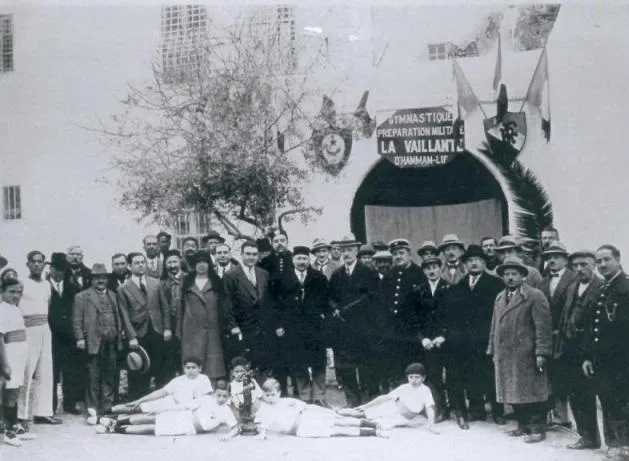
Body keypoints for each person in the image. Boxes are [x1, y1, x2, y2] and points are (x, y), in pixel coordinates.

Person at [488, 256, 552, 444]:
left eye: (514, 274)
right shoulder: (500, 297)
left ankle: (537, 429)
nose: (510, 277)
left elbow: (543, 327)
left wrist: (541, 352)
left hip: (526, 353)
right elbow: (494, 325)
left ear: (523, 276)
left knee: (532, 391)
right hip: (505, 353)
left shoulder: (535, 296)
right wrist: (492, 349)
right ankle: (522, 425)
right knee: (513, 391)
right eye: (506, 274)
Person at [442, 245, 504, 429]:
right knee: (472, 374)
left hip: (488, 337)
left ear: (484, 263)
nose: (474, 263)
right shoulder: (459, 286)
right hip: (467, 340)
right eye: (470, 260)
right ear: (465, 264)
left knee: (490, 375)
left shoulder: (496, 284)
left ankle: (498, 412)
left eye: (478, 260)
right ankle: (477, 409)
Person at [328, 234, 388, 407]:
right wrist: (335, 308)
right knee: (346, 368)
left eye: (349, 249)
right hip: (344, 330)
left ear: (356, 251)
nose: (346, 253)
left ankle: (369, 403)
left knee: (367, 368)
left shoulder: (368, 272)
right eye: (343, 250)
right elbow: (330, 296)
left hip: (365, 329)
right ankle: (352, 402)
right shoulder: (337, 274)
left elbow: (372, 298)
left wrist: (347, 310)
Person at [74, 263, 138, 422]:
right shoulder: (82, 297)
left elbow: (120, 316)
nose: (100, 281)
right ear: (91, 280)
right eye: (97, 278)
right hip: (93, 341)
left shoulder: (114, 295)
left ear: (107, 279)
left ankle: (107, 407)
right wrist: (80, 338)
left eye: (103, 277)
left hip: (112, 340)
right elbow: (76, 321)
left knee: (110, 374)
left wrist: (121, 333)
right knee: (93, 375)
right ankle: (93, 408)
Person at [582, 245, 629, 460]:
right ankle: (614, 444)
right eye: (598, 261)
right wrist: (588, 356)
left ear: (618, 260)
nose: (602, 264)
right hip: (602, 358)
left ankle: (625, 445)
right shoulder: (603, 288)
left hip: (622, 358)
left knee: (622, 401)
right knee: (607, 399)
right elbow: (595, 326)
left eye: (607, 259)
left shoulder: (625, 287)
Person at [270, 246, 329, 406]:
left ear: (309, 260)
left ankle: (319, 397)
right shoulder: (281, 278)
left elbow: (325, 303)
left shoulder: (319, 278)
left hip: (315, 328)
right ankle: (304, 397)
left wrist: (325, 322)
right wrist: (278, 325)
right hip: (292, 328)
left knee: (318, 363)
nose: (302, 262)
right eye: (299, 259)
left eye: (305, 259)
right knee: (298, 363)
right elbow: (274, 304)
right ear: (293, 260)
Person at [556, 250, 603, 450]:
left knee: (599, 396)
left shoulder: (602, 287)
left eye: (584, 264)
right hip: (570, 350)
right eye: (575, 265)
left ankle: (616, 441)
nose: (579, 269)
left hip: (592, 351)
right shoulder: (572, 287)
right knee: (576, 394)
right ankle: (587, 436)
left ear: (593, 265)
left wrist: (590, 353)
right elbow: (564, 317)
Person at [180, 251, 241, 381]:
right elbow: (181, 307)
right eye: (198, 262)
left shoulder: (217, 282)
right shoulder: (187, 283)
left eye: (204, 262)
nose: (201, 265)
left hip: (213, 330)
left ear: (209, 264)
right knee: (193, 367)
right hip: (191, 332)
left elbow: (225, 307)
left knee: (212, 367)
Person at [254, 378, 383, 439]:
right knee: (337, 431)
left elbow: (307, 407)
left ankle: (373, 425)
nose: (270, 398)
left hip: (307, 418)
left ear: (279, 393)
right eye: (267, 395)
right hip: (302, 430)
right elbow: (263, 426)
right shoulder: (266, 410)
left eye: (273, 395)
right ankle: (373, 433)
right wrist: (262, 434)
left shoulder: (287, 401)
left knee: (339, 421)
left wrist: (326, 412)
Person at [18, 250, 62, 428]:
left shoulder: (46, 284)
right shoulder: (22, 283)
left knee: (46, 370)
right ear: (28, 264)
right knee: (27, 371)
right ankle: (21, 414)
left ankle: (42, 412)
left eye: (40, 261)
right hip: (27, 329)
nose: (37, 264)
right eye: (34, 261)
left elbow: (47, 305)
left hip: (44, 327)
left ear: (44, 264)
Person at [404, 256, 450, 422]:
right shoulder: (418, 291)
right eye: (428, 268)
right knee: (430, 375)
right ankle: (434, 409)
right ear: (424, 271)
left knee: (447, 376)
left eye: (435, 267)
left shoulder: (450, 289)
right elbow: (412, 318)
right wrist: (422, 338)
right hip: (425, 343)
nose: (432, 271)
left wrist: (443, 335)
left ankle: (449, 409)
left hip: (445, 341)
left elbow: (454, 317)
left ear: (440, 269)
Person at [117, 252, 166, 399]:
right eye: (137, 263)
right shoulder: (124, 288)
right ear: (129, 266)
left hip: (156, 330)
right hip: (138, 333)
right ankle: (137, 400)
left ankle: (158, 400)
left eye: (142, 262)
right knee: (138, 368)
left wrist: (167, 328)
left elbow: (164, 307)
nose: (140, 265)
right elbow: (124, 315)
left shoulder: (155, 283)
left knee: (159, 366)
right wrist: (131, 336)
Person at [338, 363, 438, 433]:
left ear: (423, 378)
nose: (414, 380)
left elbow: (429, 408)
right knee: (361, 413)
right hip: (391, 407)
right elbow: (386, 397)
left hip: (402, 417)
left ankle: (344, 423)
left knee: (373, 424)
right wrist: (366, 405)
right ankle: (337, 413)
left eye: (417, 377)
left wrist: (431, 425)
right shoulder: (404, 387)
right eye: (411, 377)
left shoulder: (425, 390)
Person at [539, 242, 576, 427]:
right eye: (549, 257)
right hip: (548, 337)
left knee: (568, 377)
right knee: (552, 376)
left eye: (556, 256)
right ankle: (559, 417)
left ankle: (571, 419)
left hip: (568, 337)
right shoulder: (543, 282)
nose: (551, 260)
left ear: (565, 260)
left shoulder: (574, 278)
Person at [223, 241, 273, 374]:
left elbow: (267, 300)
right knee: (245, 362)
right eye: (248, 254)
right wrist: (233, 326)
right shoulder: (231, 275)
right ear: (241, 255)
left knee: (262, 362)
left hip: (262, 327)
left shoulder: (264, 273)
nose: (251, 257)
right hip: (243, 326)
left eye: (254, 254)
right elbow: (227, 304)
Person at [380, 239, 425, 387]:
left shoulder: (419, 274)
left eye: (401, 253)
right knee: (395, 369)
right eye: (395, 254)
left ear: (409, 254)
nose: (398, 257)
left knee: (414, 368)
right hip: (393, 332)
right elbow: (383, 302)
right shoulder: (389, 276)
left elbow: (424, 306)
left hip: (413, 331)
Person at [0, 278, 38, 446]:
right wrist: (5, 364)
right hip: (9, 356)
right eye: (11, 292)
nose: (16, 295)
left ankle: (14, 427)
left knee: (15, 392)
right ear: (2, 292)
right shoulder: (2, 310)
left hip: (19, 357)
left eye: (18, 292)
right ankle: (8, 432)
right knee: (9, 394)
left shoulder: (15, 309)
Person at [109, 356, 213, 416]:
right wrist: (139, 400)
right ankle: (108, 412)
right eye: (188, 367)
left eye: (193, 367)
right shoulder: (178, 380)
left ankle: (115, 420)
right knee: (136, 407)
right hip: (169, 404)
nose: (190, 370)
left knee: (145, 418)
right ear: (184, 368)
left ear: (200, 368)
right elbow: (160, 392)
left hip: (185, 410)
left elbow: (207, 399)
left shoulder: (203, 379)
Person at [48, 252, 84, 416]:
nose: (59, 272)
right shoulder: (45, 287)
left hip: (69, 338)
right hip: (51, 336)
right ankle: (51, 406)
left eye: (63, 269)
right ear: (51, 269)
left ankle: (70, 403)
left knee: (70, 372)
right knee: (52, 372)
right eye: (56, 268)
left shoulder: (73, 288)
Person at [157, 250, 184, 382]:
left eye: (175, 262)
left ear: (180, 262)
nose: (172, 265)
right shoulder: (161, 283)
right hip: (169, 324)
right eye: (169, 262)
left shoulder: (189, 279)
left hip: (186, 322)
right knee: (169, 356)